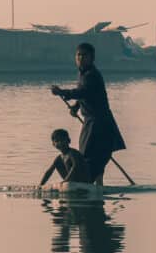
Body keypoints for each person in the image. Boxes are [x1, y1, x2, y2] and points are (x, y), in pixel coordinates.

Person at [50, 42, 126, 185]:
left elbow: (83, 91)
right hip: (91, 122)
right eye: (78, 55)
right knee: (89, 155)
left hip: (99, 123)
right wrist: (76, 106)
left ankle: (95, 185)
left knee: (92, 156)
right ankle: (96, 184)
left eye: (85, 55)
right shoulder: (83, 74)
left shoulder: (92, 75)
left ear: (92, 58)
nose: (81, 58)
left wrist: (61, 92)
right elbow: (85, 95)